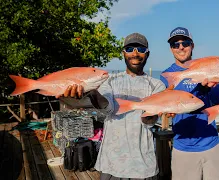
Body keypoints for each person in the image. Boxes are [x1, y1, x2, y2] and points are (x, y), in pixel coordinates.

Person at [60, 32, 171, 180]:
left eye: (141, 49)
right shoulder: (110, 81)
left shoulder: (157, 85)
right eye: (130, 49)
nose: (135, 54)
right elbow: (107, 107)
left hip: (143, 165)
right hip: (111, 164)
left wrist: (160, 109)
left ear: (147, 54)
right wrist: (90, 93)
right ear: (123, 53)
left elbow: (149, 121)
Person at [160, 27, 219, 180]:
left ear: (192, 45)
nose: (181, 47)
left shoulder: (208, 68)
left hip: (212, 144)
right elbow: (163, 104)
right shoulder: (166, 76)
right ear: (171, 48)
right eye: (175, 44)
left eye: (185, 43)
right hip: (183, 148)